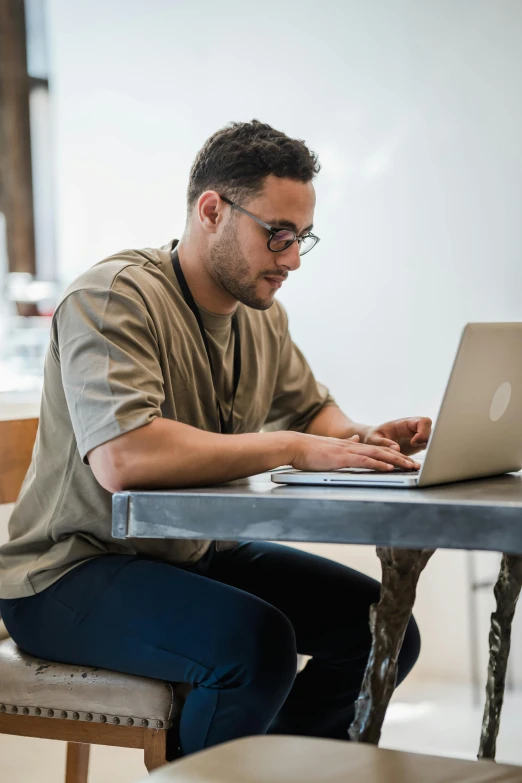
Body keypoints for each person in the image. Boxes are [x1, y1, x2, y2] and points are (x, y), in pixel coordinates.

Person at [0, 120, 430, 757]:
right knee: (251, 644)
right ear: (211, 210)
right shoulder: (113, 296)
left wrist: (364, 438)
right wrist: (290, 446)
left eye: (302, 238)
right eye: (277, 235)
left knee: (383, 630)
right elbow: (126, 456)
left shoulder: (261, 315)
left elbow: (314, 412)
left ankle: (273, 772)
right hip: (67, 573)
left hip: (189, 554)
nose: (291, 260)